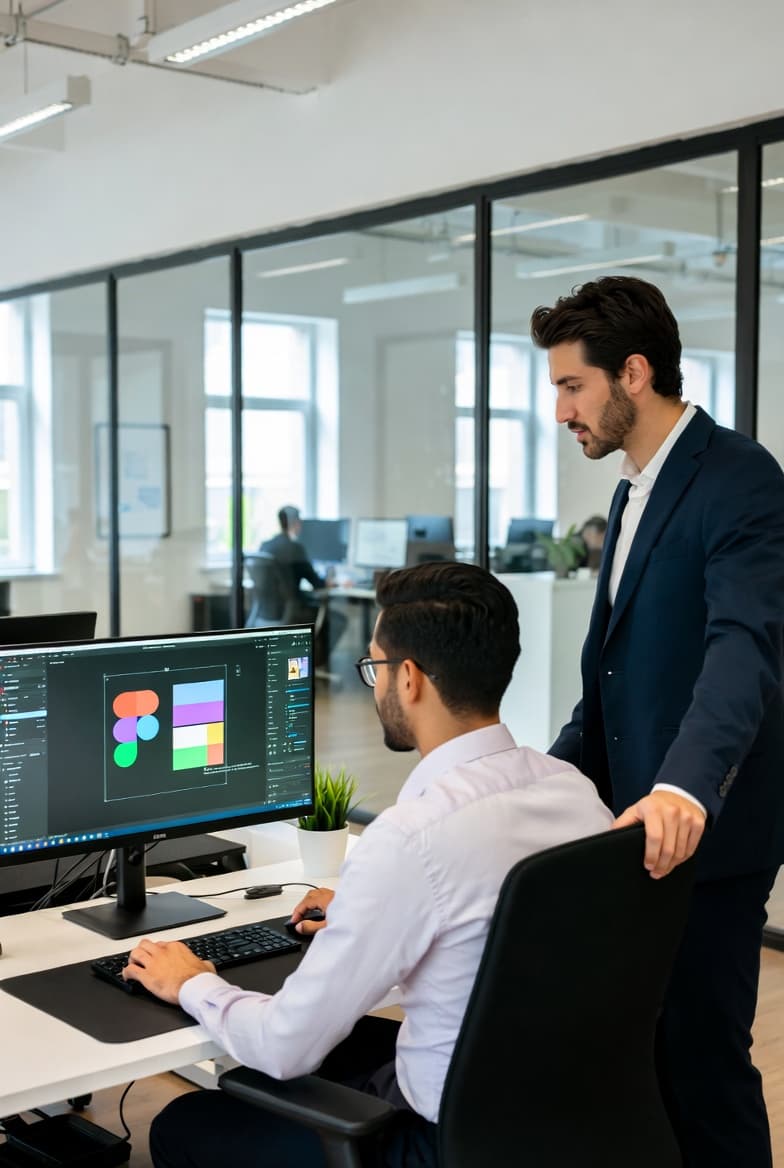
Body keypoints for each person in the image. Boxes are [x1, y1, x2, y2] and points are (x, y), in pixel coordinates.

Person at [124, 561, 613, 1168]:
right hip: (556, 1114)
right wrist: (365, 907)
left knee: (184, 1124)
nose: (372, 682)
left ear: (408, 679)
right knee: (344, 1043)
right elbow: (496, 931)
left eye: (374, 665)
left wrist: (193, 981)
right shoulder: (572, 792)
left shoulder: (412, 839)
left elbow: (284, 1048)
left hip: (442, 1143)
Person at [530, 275, 784, 1168]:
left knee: (704, 1063)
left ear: (632, 373)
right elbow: (610, 677)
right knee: (641, 1059)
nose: (560, 410)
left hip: (706, 832)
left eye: (572, 386)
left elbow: (742, 650)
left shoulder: (739, 478)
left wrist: (684, 783)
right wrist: (536, 782)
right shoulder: (637, 490)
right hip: (628, 831)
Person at [260, 505, 346, 659]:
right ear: (296, 523)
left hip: (269, 611)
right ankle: (315, 664)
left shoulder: (265, 546)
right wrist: (334, 583)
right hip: (293, 612)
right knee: (337, 620)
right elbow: (316, 583)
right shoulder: (295, 548)